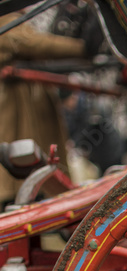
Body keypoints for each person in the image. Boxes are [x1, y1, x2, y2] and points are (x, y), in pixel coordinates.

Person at [0, 11, 87, 204]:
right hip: (17, 107)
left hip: (30, 103)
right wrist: (85, 48)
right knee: (21, 171)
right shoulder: (5, 20)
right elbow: (33, 44)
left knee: (36, 169)